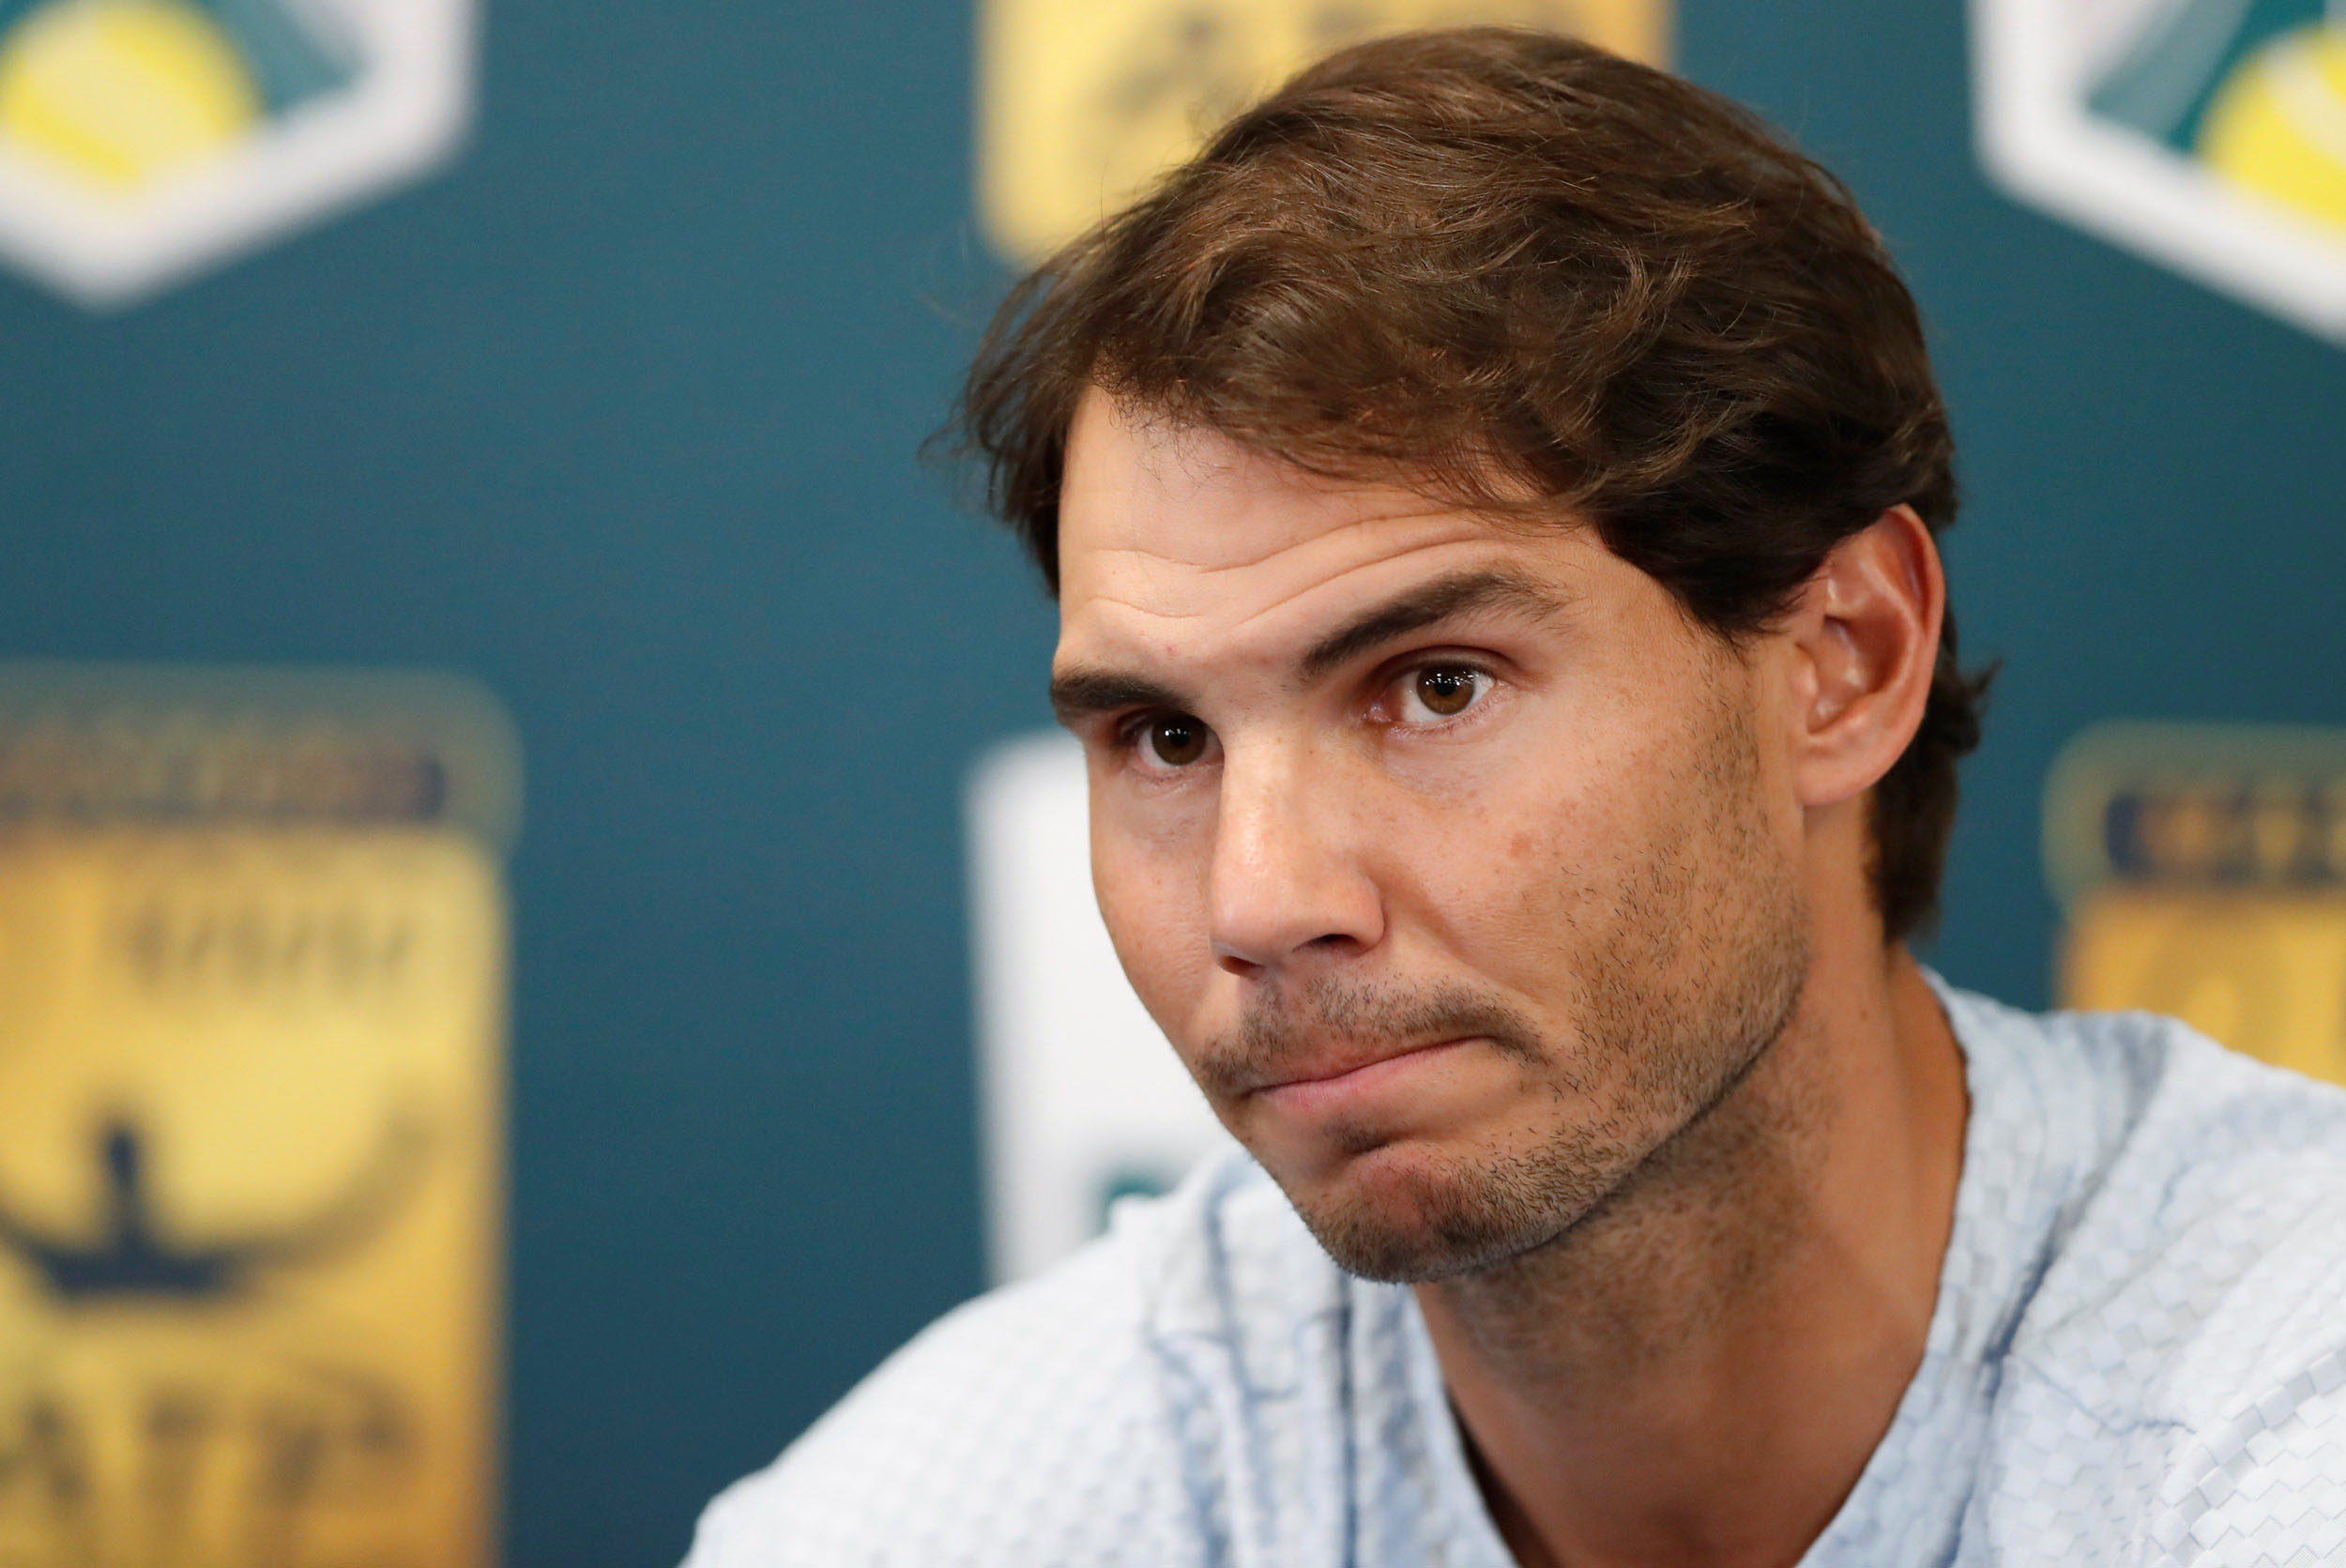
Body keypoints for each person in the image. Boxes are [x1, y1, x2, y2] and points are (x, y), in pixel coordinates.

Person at [686, 28, 2346, 1567]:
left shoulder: (2273, 1400)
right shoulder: (976, 1502)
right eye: (1167, 742)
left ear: (1842, 659)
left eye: (1435, 687)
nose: (1258, 901)